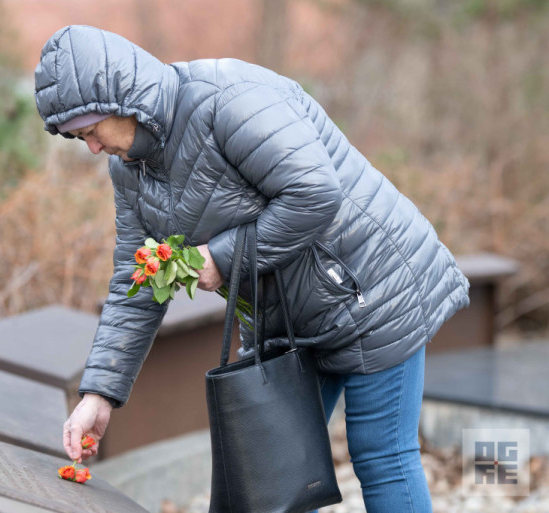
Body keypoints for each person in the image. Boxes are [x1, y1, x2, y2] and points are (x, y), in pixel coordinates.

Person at [35, 25, 469, 512]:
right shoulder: (130, 170)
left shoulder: (227, 101)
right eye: (79, 139)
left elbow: (314, 193)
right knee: (261, 474)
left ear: (124, 101)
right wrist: (100, 393)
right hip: (285, 320)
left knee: (380, 456)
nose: (92, 148)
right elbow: (135, 281)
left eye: (93, 132)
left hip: (373, 289)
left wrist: (220, 258)